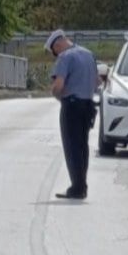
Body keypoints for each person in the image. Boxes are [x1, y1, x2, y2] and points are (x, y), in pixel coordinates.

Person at [47, 30, 98, 200]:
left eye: (55, 51)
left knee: (72, 147)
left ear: (57, 45)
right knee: (83, 146)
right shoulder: (89, 54)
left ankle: (77, 187)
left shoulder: (65, 57)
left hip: (72, 105)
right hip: (88, 104)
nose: (56, 54)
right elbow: (97, 81)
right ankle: (82, 185)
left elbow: (58, 85)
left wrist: (56, 94)